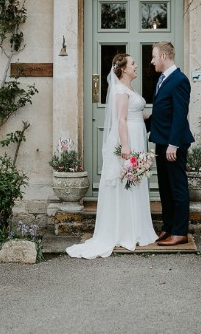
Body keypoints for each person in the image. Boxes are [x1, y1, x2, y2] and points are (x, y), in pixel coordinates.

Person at [66, 53, 157, 259]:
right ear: (123, 68)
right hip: (127, 138)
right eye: (133, 63)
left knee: (135, 181)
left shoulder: (130, 89)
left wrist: (155, 116)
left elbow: (135, 114)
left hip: (136, 134)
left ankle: (136, 228)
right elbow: (121, 119)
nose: (136, 66)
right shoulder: (119, 89)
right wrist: (125, 146)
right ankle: (124, 231)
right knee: (126, 181)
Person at [147, 42, 194, 247]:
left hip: (173, 144)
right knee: (165, 188)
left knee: (178, 187)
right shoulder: (163, 79)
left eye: (154, 57)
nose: (152, 61)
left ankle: (180, 231)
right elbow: (163, 111)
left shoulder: (180, 80)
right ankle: (168, 226)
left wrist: (173, 144)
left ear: (164, 56)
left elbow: (179, 115)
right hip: (161, 141)